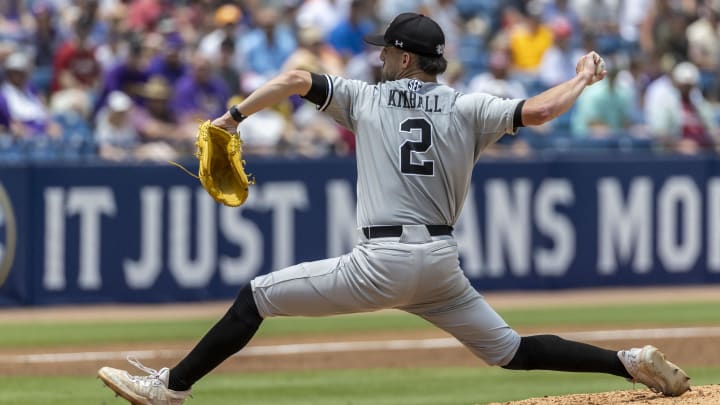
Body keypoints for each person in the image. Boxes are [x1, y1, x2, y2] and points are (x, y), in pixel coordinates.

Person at [98, 12, 691, 405]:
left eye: (388, 52)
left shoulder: (367, 99)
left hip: (382, 260)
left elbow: (298, 78)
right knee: (509, 351)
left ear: (407, 59)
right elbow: (538, 112)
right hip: (439, 263)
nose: (381, 58)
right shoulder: (467, 106)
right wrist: (583, 78)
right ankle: (629, 361)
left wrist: (232, 117)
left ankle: (169, 389)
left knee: (256, 296)